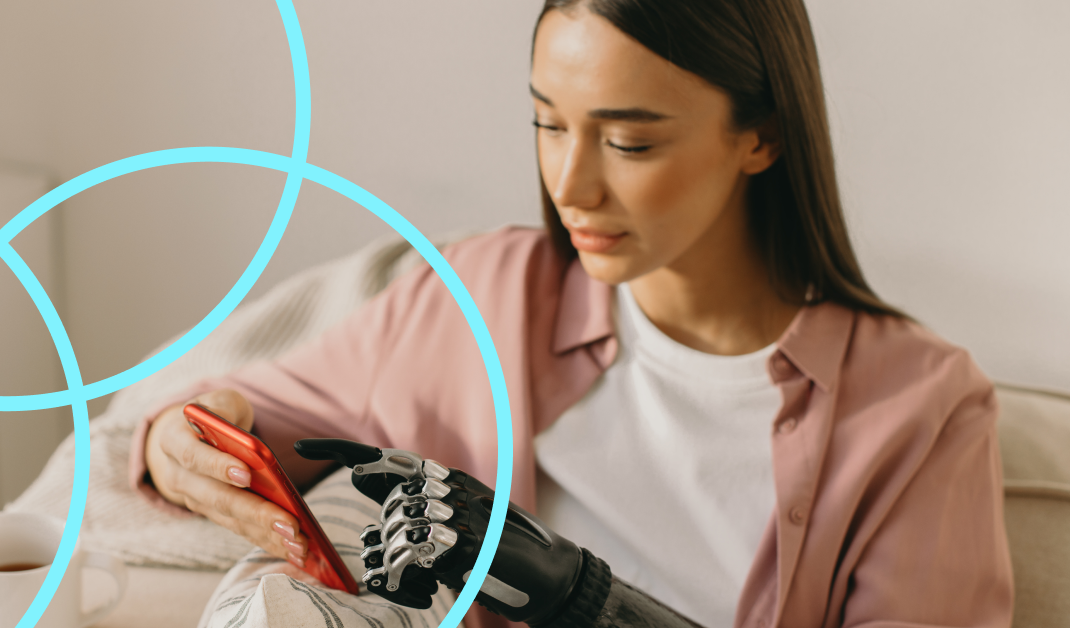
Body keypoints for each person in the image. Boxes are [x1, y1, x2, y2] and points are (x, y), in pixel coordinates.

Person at [129, 1, 1014, 627]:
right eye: (549, 125)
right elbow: (240, 418)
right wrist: (179, 442)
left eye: (630, 141)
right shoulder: (481, 291)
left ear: (762, 135)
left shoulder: (921, 407)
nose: (571, 184)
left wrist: (584, 602)